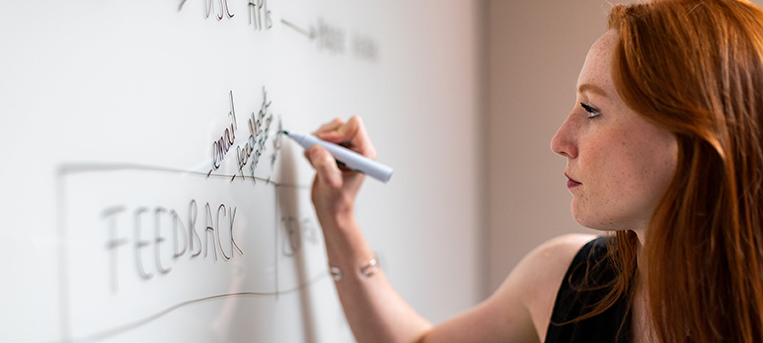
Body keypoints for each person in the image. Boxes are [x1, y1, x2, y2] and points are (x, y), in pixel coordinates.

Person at [304, 0, 763, 342]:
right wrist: (339, 217)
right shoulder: (569, 281)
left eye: (591, 109)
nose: (560, 140)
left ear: (690, 138)